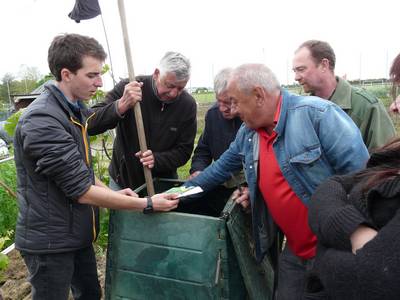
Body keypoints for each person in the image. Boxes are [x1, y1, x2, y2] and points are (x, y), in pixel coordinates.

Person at [13, 33, 179, 300]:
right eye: (92, 75)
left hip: (76, 233)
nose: (100, 82)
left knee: (90, 294)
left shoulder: (74, 112)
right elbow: (81, 189)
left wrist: (114, 195)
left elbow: (82, 171)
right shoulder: (43, 119)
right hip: (51, 242)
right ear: (66, 74)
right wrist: (147, 204)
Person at [186, 63, 369, 299]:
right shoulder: (248, 133)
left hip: (334, 250)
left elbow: (362, 180)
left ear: (259, 95)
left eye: (236, 101)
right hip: (295, 250)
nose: (233, 109)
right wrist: (180, 192)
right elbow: (219, 170)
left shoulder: (318, 116)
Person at [306, 138, 400, 300]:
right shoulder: (393, 159)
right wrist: (354, 231)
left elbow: (373, 281)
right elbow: (332, 185)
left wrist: (322, 254)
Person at [89, 52, 197, 191]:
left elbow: (184, 151)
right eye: (169, 86)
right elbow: (90, 124)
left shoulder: (187, 105)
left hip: (162, 186)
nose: (174, 93)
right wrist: (121, 105)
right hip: (123, 184)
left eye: (180, 88)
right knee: (122, 213)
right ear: (157, 74)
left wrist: (157, 159)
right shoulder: (130, 88)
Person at [293, 40, 395, 151]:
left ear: (324, 65)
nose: (296, 77)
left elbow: (386, 161)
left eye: (301, 69)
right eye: (294, 71)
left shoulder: (367, 107)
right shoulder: (301, 110)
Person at [186, 68, 243, 216]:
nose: (223, 108)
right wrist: (198, 169)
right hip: (219, 184)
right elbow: (203, 150)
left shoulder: (251, 118)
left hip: (246, 191)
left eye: (229, 103)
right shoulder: (213, 115)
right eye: (219, 101)